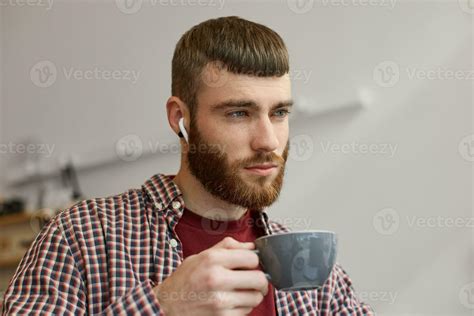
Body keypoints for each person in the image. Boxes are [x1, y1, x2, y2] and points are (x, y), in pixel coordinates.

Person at [2, 16, 374, 315]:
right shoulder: (81, 237)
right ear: (181, 118)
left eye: (278, 113)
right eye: (239, 113)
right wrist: (164, 305)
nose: (268, 141)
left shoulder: (312, 272)